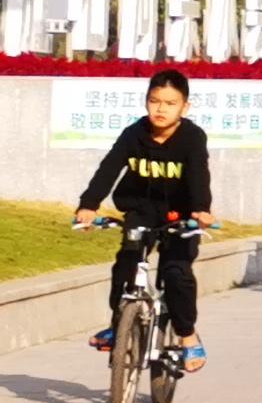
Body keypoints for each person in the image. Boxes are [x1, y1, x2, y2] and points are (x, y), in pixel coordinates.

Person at [73, 68, 219, 371]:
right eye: (154, 101)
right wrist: (88, 205)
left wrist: (201, 210)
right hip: (141, 210)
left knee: (176, 273)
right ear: (146, 102)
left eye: (170, 103)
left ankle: (187, 336)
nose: (161, 109)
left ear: (184, 107)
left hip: (181, 215)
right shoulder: (134, 133)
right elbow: (109, 168)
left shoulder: (192, 138)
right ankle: (118, 325)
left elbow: (198, 175)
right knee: (125, 264)